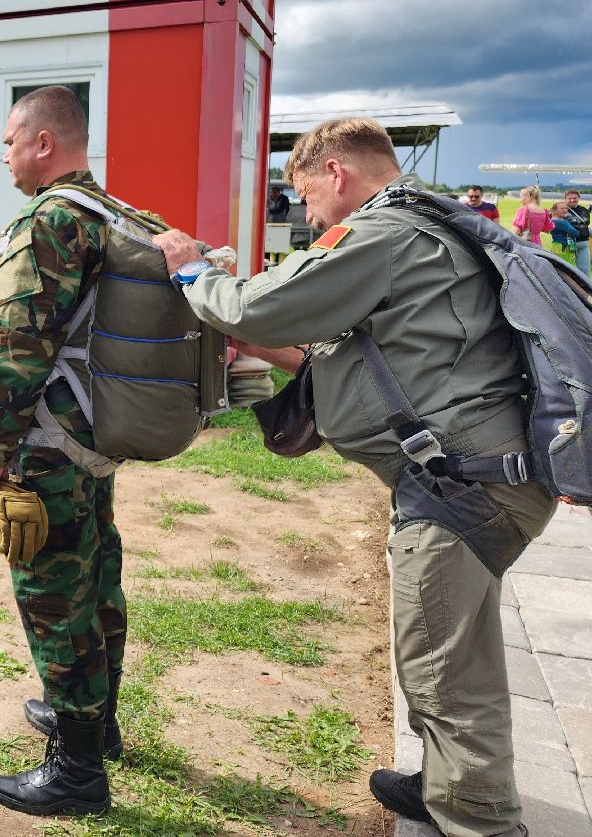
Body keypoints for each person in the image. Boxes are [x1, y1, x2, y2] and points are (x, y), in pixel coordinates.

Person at [153, 118, 554, 837]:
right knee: (451, 645)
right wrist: (274, 353)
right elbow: (375, 358)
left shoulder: (382, 233)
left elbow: (254, 301)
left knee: (443, 668)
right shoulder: (432, 228)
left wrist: (191, 270)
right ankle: (445, 783)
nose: (307, 217)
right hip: (477, 478)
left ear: (336, 173)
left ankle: (482, 818)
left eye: (306, 198)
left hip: (461, 488)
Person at [0, 85, 125, 818]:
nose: (1, 155)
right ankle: (96, 721)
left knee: (55, 599)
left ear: (42, 143)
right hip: (92, 439)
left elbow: (19, 345)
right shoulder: (109, 212)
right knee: (97, 580)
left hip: (46, 445)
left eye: (7, 141)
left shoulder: (48, 223)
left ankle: (77, 772)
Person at [563, 189, 590, 275]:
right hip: (567, 244)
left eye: (574, 198)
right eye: (569, 198)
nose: (572, 200)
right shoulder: (560, 209)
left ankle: (586, 288)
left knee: (584, 269)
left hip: (583, 244)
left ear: (578, 198)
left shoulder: (584, 210)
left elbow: (586, 224)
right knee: (566, 269)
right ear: (565, 199)